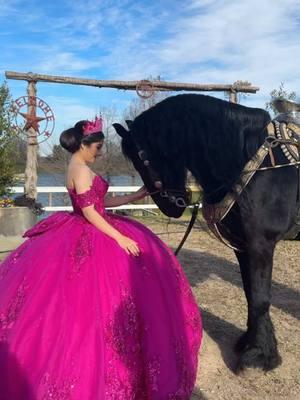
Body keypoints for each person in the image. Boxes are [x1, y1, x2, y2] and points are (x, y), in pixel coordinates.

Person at [0, 116, 202, 399]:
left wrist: (135, 197)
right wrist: (119, 238)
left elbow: (98, 203)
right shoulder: (80, 169)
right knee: (94, 299)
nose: (100, 152)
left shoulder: (79, 165)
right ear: (84, 145)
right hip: (89, 229)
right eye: (97, 147)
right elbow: (90, 212)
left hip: (87, 223)